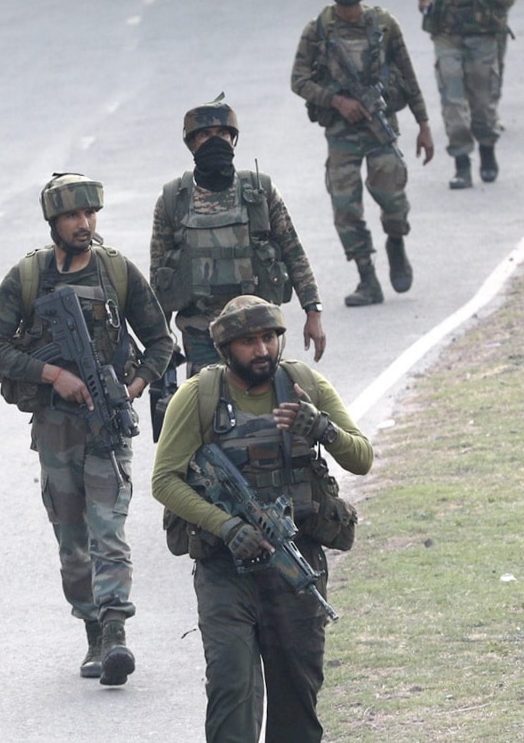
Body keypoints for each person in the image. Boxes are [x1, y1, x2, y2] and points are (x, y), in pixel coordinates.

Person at [0, 172, 175, 686]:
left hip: (105, 428)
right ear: (53, 222)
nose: (83, 224)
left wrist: (130, 389)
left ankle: (115, 634)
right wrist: (53, 375)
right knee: (72, 540)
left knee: (109, 531)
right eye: (72, 216)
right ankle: (91, 630)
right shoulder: (27, 278)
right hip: (56, 429)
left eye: (89, 215)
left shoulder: (117, 272)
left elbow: (160, 342)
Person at [151, 295, 372, 743]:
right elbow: (165, 481)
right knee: (232, 687)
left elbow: (361, 457)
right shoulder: (198, 397)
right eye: (249, 342)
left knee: (297, 697)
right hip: (226, 572)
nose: (263, 350)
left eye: (269, 338)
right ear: (226, 349)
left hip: (295, 568)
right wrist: (227, 526)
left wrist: (320, 428)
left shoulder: (303, 383)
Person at [290, 0, 435, 307]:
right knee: (345, 207)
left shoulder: (384, 25)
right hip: (340, 134)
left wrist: (424, 124)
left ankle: (396, 242)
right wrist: (336, 101)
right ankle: (366, 277)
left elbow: (408, 76)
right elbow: (299, 80)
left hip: (380, 127)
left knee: (392, 196)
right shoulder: (318, 29)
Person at [150, 93, 325, 377]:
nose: (215, 141)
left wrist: (313, 311)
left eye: (223, 133)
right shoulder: (173, 200)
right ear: (191, 142)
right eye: (205, 134)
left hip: (258, 328)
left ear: (234, 139)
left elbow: (293, 251)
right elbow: (160, 274)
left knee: (266, 406)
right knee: (207, 407)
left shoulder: (259, 192)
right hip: (200, 331)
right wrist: (160, 337)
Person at [418, 0, 517, 190]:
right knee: (452, 103)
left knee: (484, 105)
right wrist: (425, 1)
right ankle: (461, 162)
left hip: (484, 37)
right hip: (447, 37)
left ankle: (487, 151)